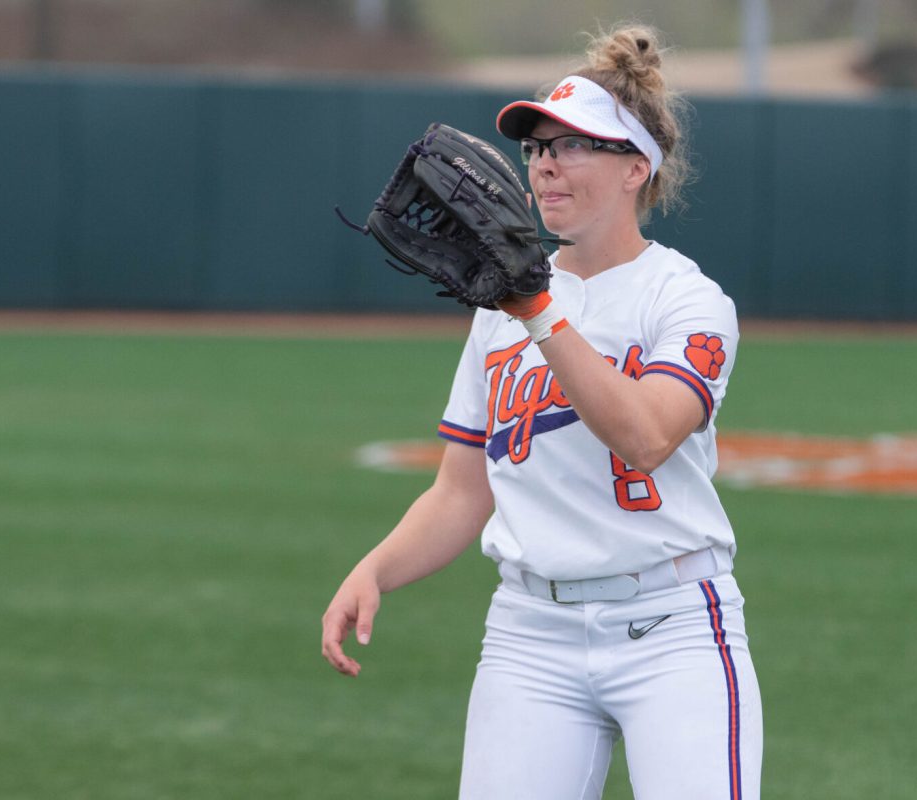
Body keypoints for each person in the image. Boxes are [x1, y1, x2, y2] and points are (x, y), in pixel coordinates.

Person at [321, 23, 762, 800]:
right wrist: (376, 569)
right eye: (536, 148)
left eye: (572, 145)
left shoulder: (686, 301)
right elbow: (462, 489)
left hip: (673, 627)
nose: (545, 164)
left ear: (636, 169)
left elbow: (647, 436)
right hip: (530, 636)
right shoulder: (502, 311)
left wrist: (536, 309)